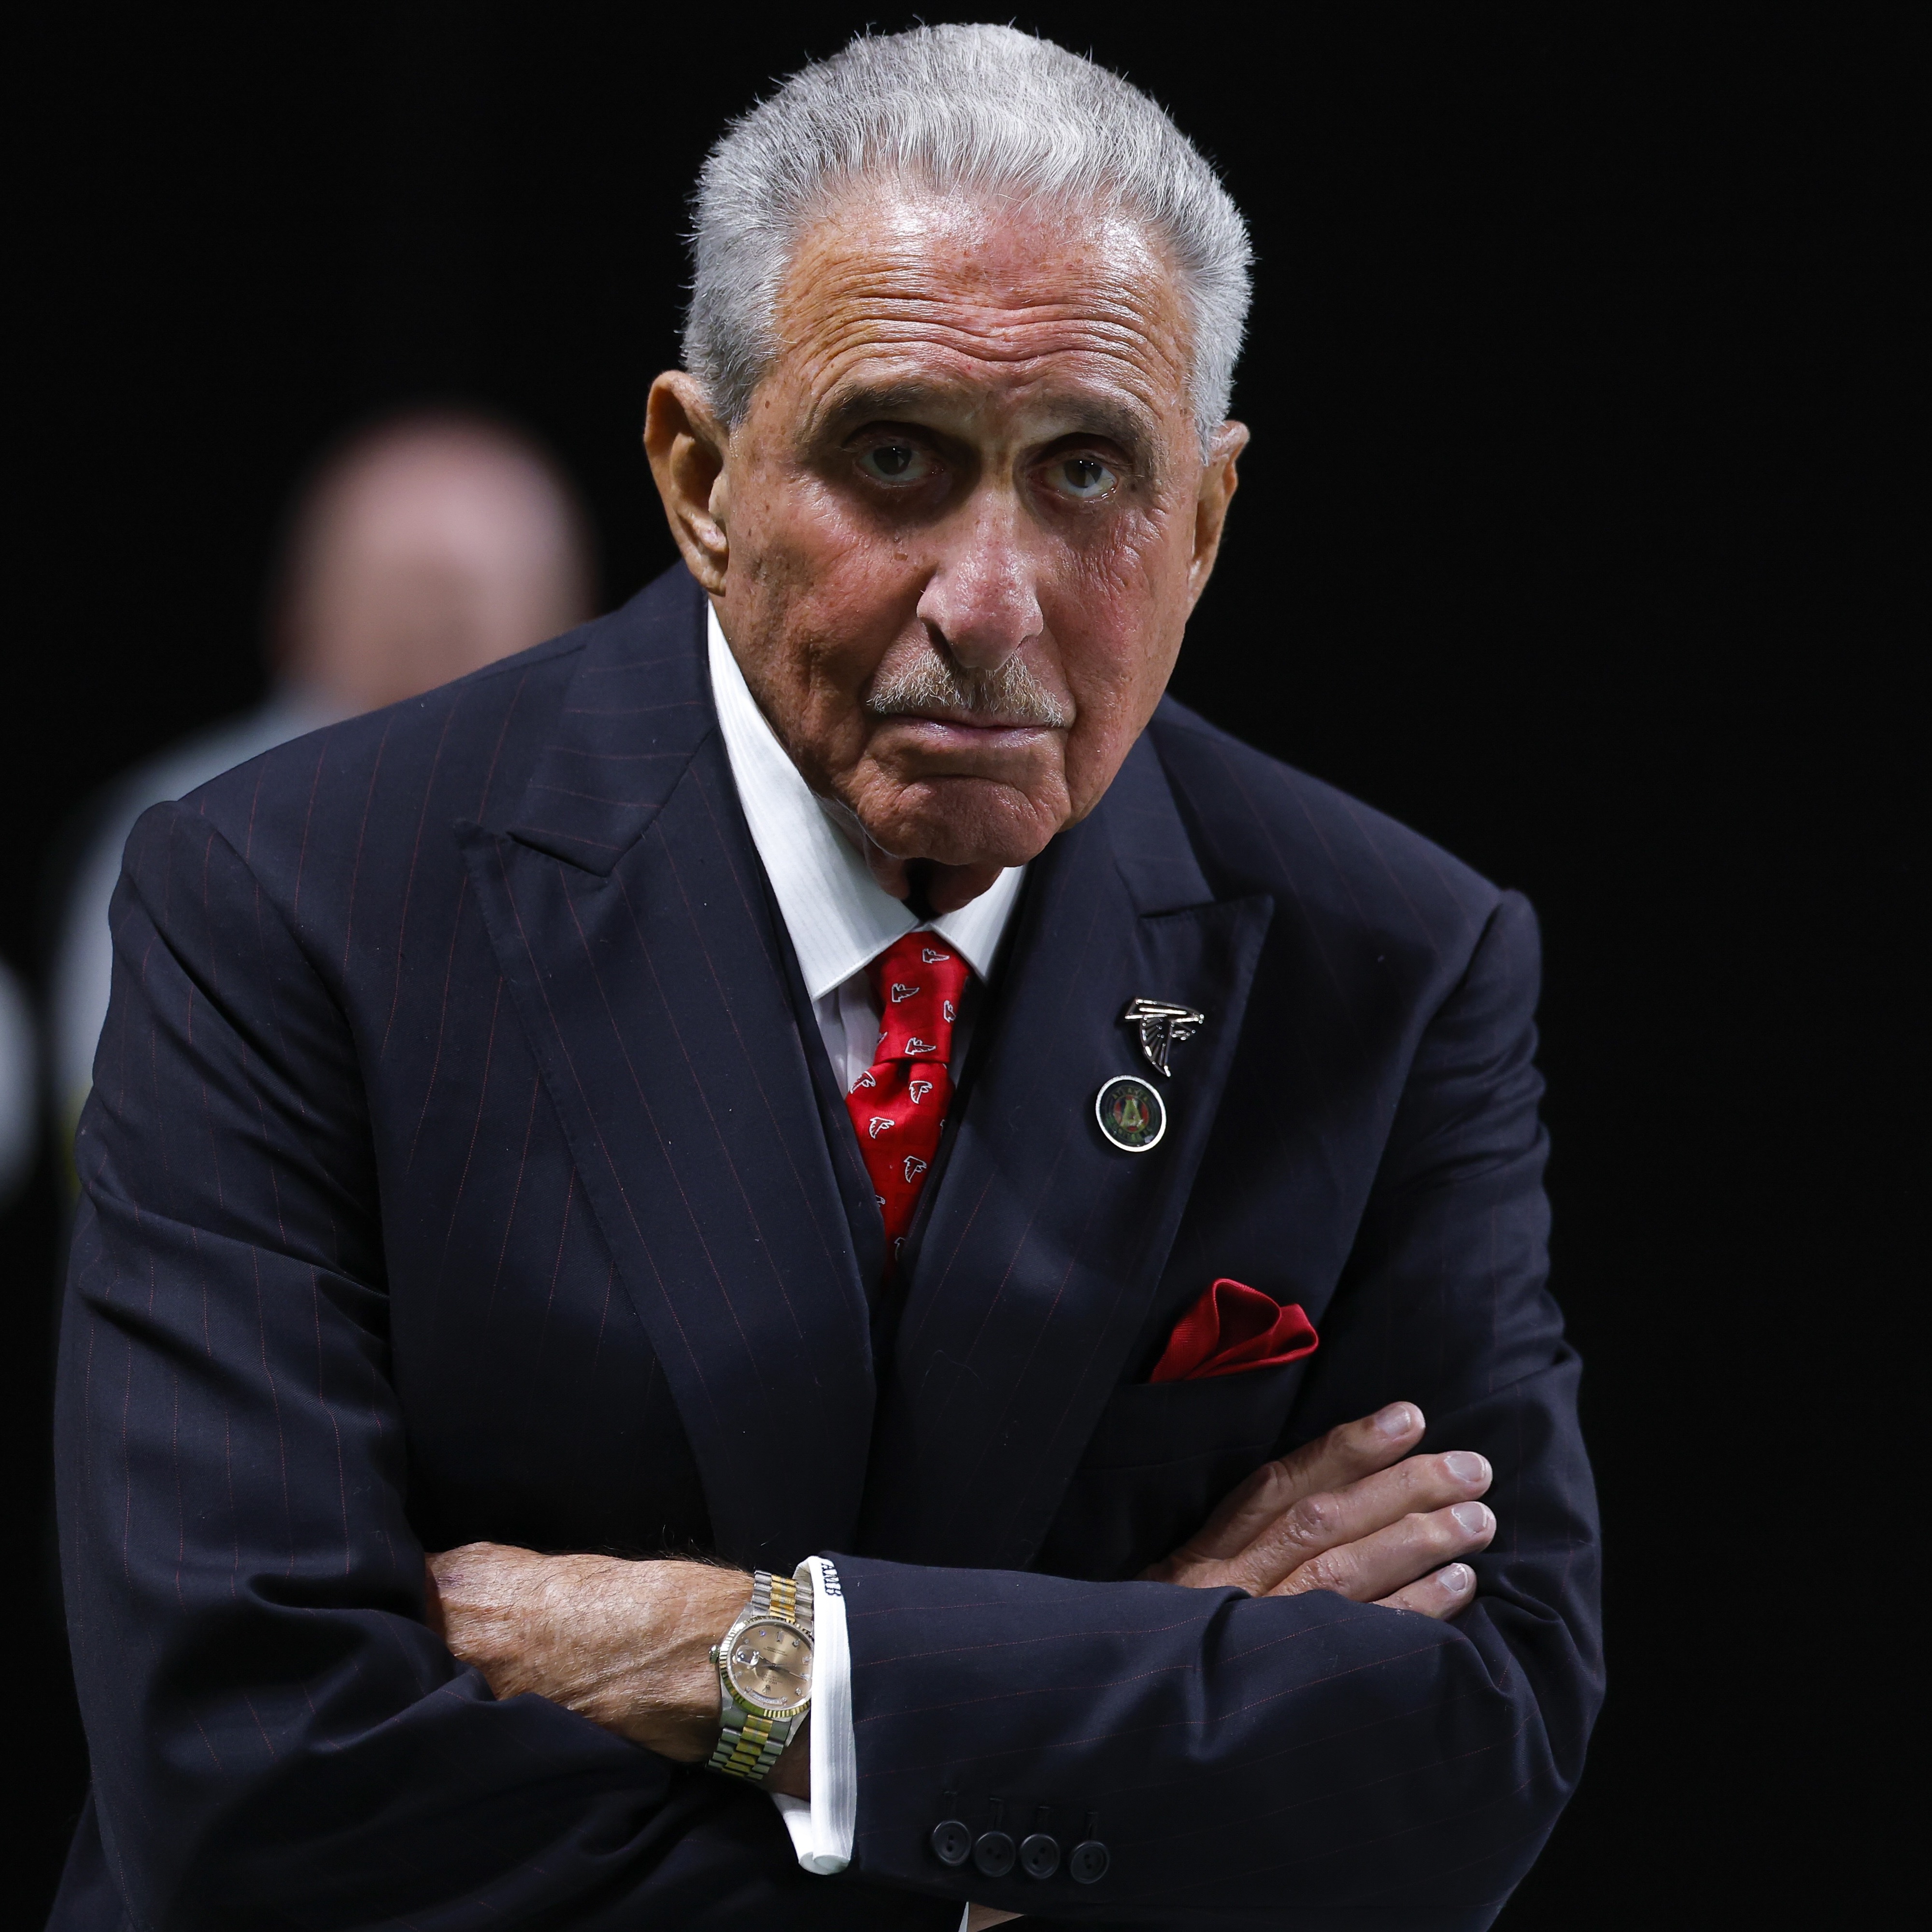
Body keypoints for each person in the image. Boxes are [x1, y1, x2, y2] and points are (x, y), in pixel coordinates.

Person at [52, 26, 1602, 1931]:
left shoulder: (1399, 960)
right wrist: (1104, 1734)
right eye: (896, 458)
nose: (991, 598)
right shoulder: (288, 899)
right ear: (699, 476)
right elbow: (254, 1785)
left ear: (1203, 520)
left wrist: (771, 1665)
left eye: (1089, 474)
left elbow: (1470, 1749)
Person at [46, 410, 595, 1146]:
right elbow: (128, 1148)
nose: (428, 643)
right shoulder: (185, 837)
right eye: (401, 603)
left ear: (579, 632)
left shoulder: (645, 834)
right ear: (295, 618)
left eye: (461, 613)